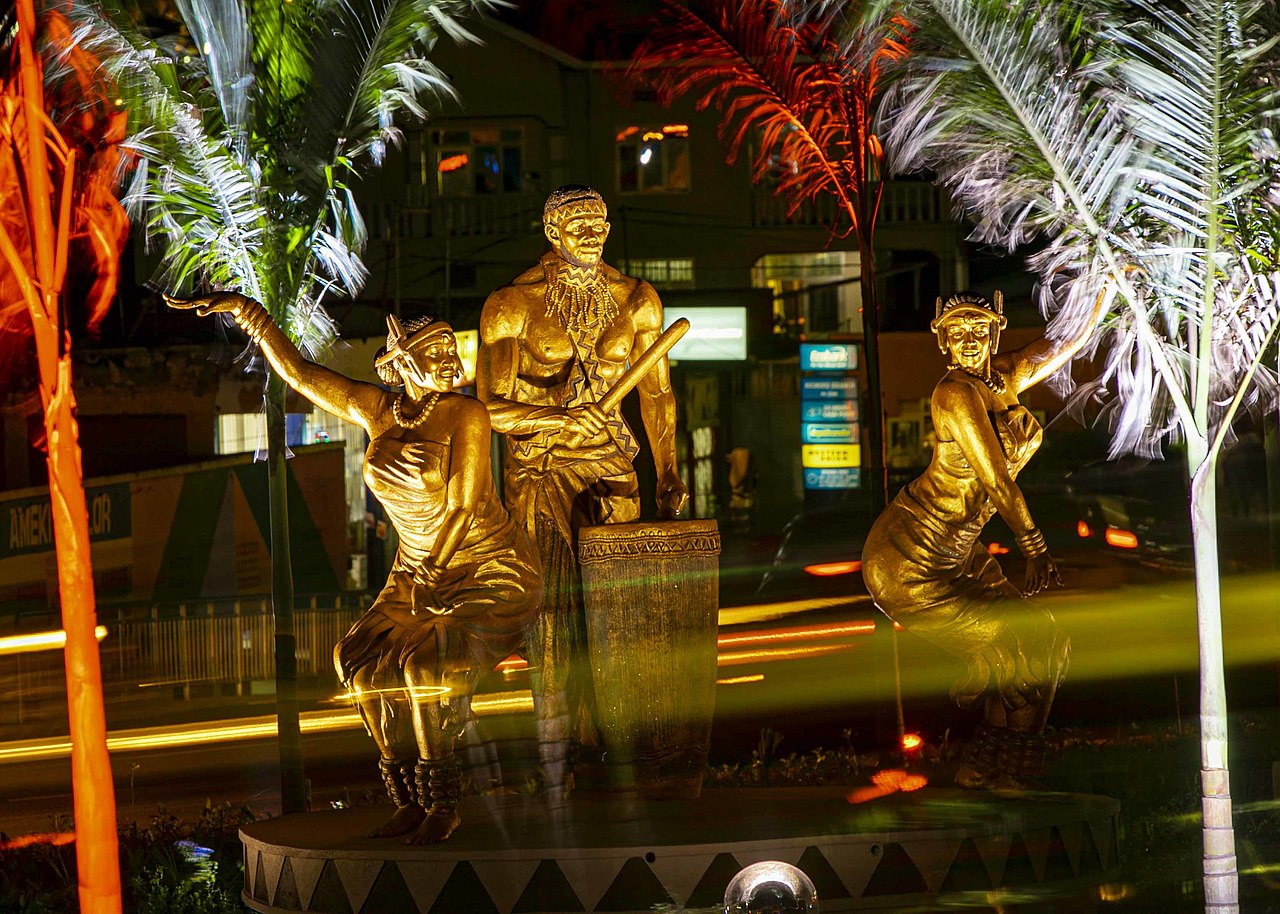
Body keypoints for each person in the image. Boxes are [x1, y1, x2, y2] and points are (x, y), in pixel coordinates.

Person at [165, 292, 541, 844]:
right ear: (400, 363)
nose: (449, 361)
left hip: (486, 567)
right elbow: (301, 374)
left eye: (450, 349)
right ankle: (406, 801)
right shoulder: (377, 410)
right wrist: (248, 314)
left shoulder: (467, 414)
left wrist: (431, 577)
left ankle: (443, 804)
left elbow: (463, 507)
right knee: (357, 662)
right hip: (416, 569)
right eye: (434, 351)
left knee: (423, 667)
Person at [477, 184, 688, 792]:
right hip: (540, 465)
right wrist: (559, 420)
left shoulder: (637, 300)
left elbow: (657, 394)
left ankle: (620, 747)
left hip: (613, 463)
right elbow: (491, 408)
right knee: (552, 608)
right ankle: (554, 757)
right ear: (552, 232)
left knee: (618, 605)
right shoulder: (512, 305)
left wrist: (668, 470)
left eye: (600, 223)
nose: (592, 233)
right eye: (578, 224)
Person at [862, 289, 1105, 789]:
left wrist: (1106, 287)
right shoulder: (954, 395)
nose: (968, 340)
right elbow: (995, 480)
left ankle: (987, 767)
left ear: (995, 335)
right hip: (910, 558)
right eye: (956, 333)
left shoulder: (1006, 377)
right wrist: (1034, 546)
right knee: (1025, 642)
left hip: (959, 550)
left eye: (978, 330)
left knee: (1045, 640)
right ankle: (1011, 771)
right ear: (943, 343)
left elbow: (1067, 342)